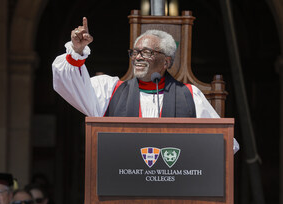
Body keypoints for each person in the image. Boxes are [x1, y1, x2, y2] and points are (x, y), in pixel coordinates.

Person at [52, 17, 239, 153]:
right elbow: (67, 84)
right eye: (135, 52)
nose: (138, 57)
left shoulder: (189, 95)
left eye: (147, 52)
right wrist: (77, 51)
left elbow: (226, 145)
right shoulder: (110, 90)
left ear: (166, 62)